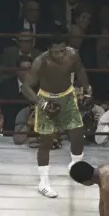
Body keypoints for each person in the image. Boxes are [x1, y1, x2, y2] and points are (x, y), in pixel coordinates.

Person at [21, 33, 92, 198]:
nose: (60, 55)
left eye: (62, 50)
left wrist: (88, 89)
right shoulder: (41, 61)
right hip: (46, 98)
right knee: (46, 141)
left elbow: (80, 70)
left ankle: (76, 167)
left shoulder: (72, 54)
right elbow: (26, 87)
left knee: (77, 132)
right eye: (56, 52)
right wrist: (43, 105)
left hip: (67, 96)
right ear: (48, 50)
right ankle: (43, 182)